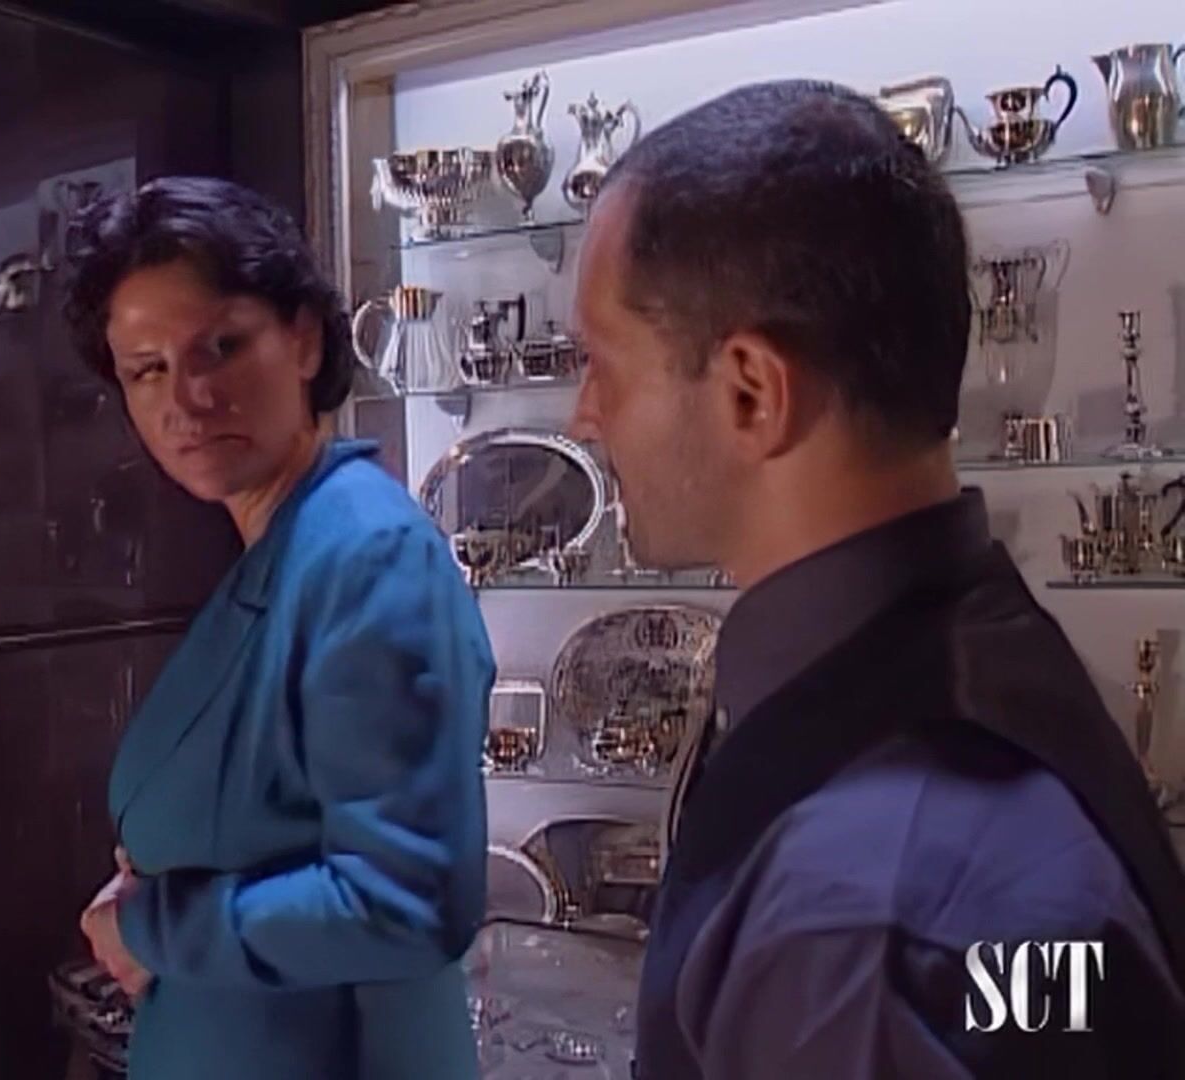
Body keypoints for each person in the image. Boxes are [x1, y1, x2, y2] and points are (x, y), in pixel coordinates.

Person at [568, 81, 1185, 1078]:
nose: (583, 413)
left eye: (603, 362)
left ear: (751, 393)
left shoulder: (859, 924)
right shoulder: (979, 662)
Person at [65, 176, 493, 1080]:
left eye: (220, 346)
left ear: (303, 338)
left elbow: (406, 899)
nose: (186, 397)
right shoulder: (288, 548)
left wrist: (153, 926)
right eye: (146, 370)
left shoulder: (367, 555)